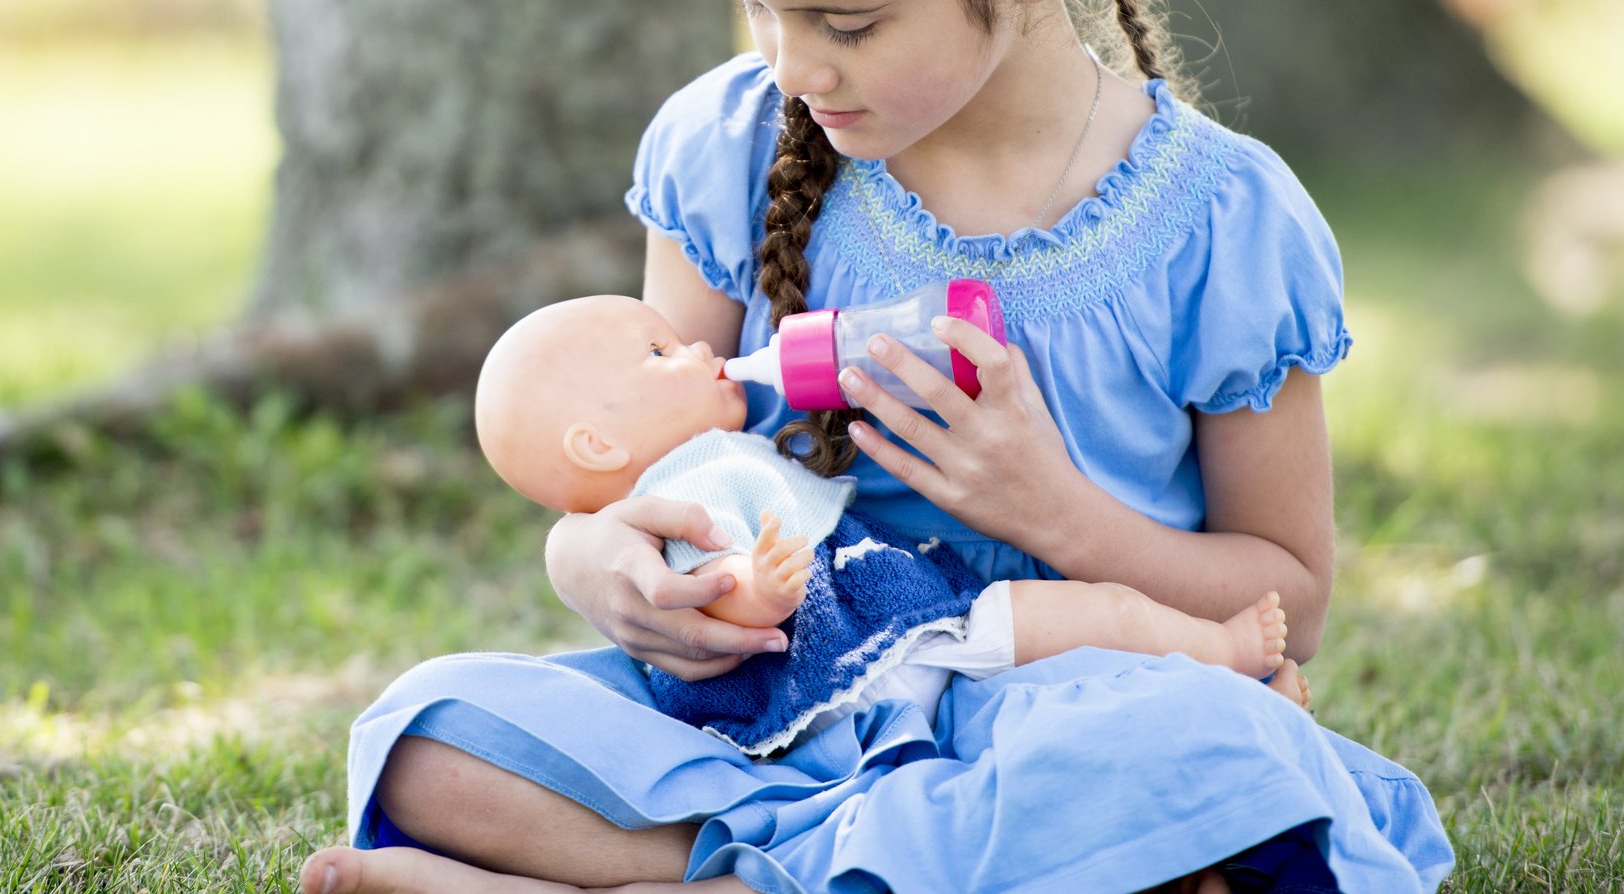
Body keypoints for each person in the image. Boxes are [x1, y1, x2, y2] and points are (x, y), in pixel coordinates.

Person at [300, 0, 1453, 894]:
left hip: (1064, 717)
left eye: (844, 20)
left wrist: (1046, 507)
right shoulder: (727, 148)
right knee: (425, 734)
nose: (792, 64)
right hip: (779, 719)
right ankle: (822, 868)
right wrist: (602, 566)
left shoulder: (1220, 222)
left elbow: (1289, 596)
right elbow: (644, 465)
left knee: (1208, 767)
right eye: (756, 6)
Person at [473, 293, 1298, 759]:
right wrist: (756, 591)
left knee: (1078, 667)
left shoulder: (717, 456)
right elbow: (715, 606)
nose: (694, 346)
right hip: (865, 667)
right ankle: (1223, 663)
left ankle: (1225, 693)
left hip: (899, 647)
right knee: (1095, 622)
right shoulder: (687, 489)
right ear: (597, 443)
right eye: (659, 357)